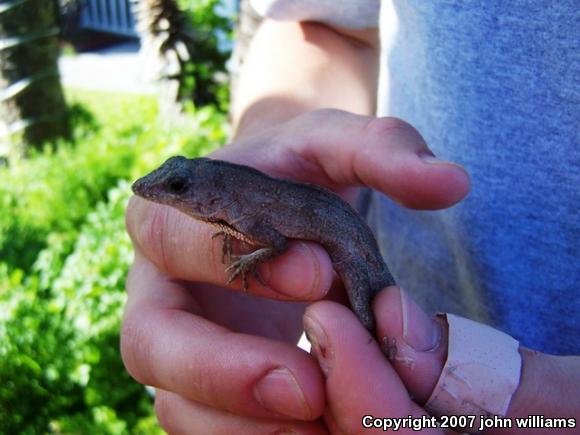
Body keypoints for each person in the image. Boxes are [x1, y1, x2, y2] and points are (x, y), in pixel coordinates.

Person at [122, 1, 579, 433]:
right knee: (372, 345)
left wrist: (246, 261)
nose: (153, 192)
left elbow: (277, 245)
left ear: (212, 192)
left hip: (359, 258)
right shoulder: (235, 208)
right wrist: (283, 139)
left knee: (374, 329)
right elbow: (330, 22)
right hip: (375, 260)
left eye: (178, 188)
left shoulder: (241, 211)